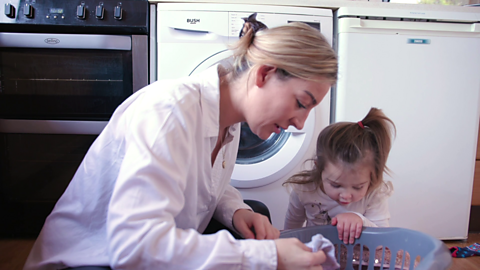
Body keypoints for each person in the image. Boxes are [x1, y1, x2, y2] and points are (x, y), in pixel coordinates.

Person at [24, 20, 338, 270]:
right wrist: (271, 258)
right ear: (264, 74)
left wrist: (236, 210)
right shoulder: (170, 111)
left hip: (136, 254)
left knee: (256, 211)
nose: (300, 122)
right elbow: (134, 247)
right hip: (90, 259)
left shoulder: (228, 122)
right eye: (301, 103)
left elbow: (200, 178)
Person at [283, 108, 396, 245]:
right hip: (316, 255)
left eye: (357, 187)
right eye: (336, 185)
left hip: (358, 256)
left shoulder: (374, 194)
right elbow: (290, 231)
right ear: (319, 167)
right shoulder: (304, 190)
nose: (346, 196)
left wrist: (360, 220)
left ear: (372, 177)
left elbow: (384, 239)